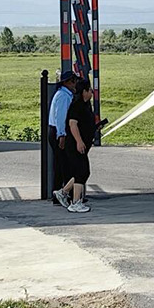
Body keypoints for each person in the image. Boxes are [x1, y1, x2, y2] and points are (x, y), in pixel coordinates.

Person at [61, 77, 95, 213]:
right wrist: (79, 141)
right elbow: (72, 124)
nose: (92, 92)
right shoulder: (77, 105)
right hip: (75, 144)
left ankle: (63, 192)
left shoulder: (86, 105)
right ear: (84, 91)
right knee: (82, 171)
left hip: (82, 143)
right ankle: (75, 202)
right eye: (90, 90)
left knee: (81, 172)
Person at [49, 71, 78, 208]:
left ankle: (59, 194)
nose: (75, 84)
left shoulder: (63, 94)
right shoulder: (63, 96)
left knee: (60, 164)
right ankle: (64, 194)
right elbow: (60, 117)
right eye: (73, 81)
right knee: (64, 165)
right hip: (58, 131)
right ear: (66, 82)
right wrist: (61, 135)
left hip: (57, 131)